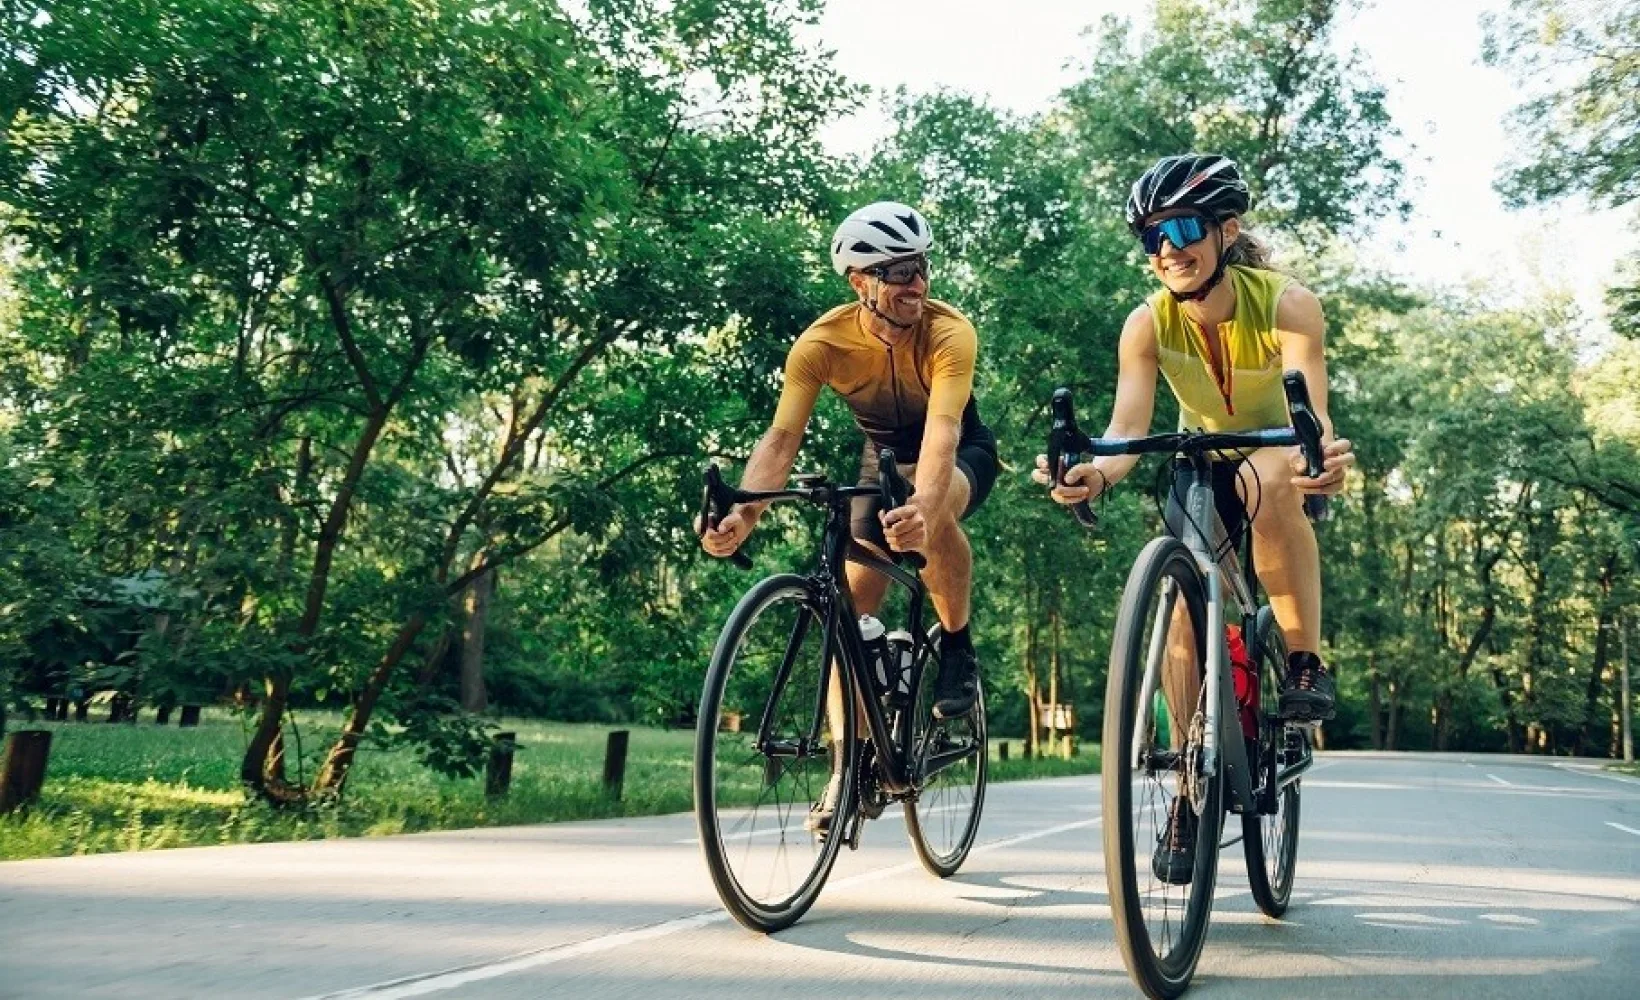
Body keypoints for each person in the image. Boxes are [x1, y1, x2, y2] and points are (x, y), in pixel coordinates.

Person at [1033, 154, 1354, 882]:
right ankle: (1188, 781)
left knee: (1272, 480)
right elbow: (1123, 433)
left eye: (1181, 229)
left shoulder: (1288, 303)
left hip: (1276, 458)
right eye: (1151, 238)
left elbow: (1315, 417)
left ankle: (1303, 658)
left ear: (1225, 229)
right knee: (1180, 603)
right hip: (1197, 461)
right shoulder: (1145, 325)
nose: (1167, 249)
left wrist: (1321, 459)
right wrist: (1090, 473)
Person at [701, 201, 999, 830]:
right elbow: (782, 440)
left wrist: (923, 506)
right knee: (848, 617)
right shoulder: (821, 343)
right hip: (882, 457)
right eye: (896, 272)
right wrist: (746, 515)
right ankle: (845, 771)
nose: (915, 283)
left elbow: (943, 434)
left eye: (920, 267)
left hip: (958, 448)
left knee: (932, 505)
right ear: (859, 283)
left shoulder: (950, 332)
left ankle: (957, 644)